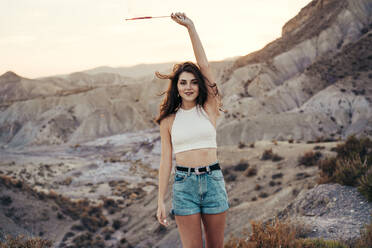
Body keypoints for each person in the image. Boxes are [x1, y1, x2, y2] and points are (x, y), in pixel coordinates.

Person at [155, 12, 229, 248]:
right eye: (183, 82)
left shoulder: (209, 108)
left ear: (200, 85)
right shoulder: (168, 120)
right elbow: (166, 161)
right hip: (184, 185)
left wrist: (191, 28)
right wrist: (160, 200)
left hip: (213, 181)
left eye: (193, 82)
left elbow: (205, 66)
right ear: (176, 87)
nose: (189, 87)